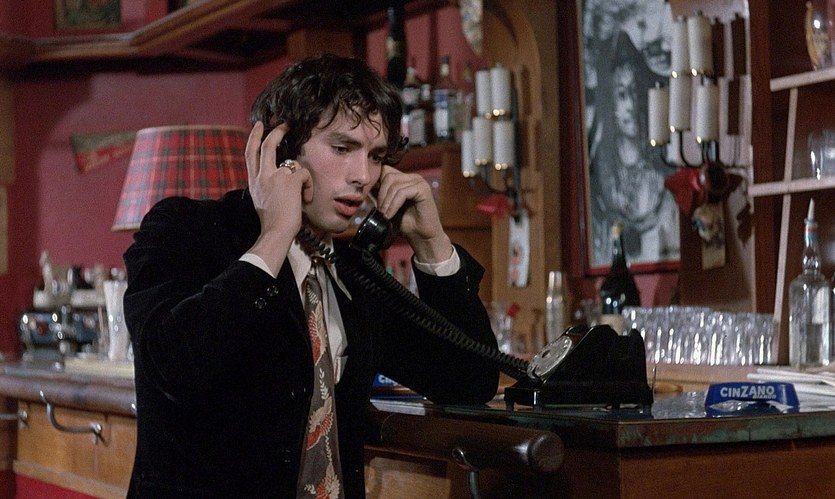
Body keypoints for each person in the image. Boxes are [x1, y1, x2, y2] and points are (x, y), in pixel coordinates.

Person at [122, 53, 500, 498]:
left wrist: (432, 244)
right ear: (283, 149)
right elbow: (171, 369)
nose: (363, 176)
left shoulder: (354, 270)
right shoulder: (186, 229)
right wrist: (275, 236)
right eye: (342, 149)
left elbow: (469, 381)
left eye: (376, 156)